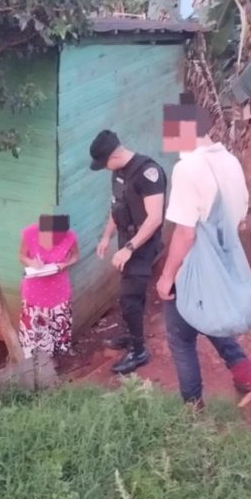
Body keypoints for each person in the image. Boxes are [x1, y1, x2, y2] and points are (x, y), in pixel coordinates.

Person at [156, 93, 251, 408]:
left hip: (194, 265)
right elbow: (241, 212)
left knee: (180, 337)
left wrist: (167, 277)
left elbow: (184, 233)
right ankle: (246, 374)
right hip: (224, 256)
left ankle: (193, 408)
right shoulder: (228, 161)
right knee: (206, 315)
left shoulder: (188, 168)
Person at [90, 130, 166, 375]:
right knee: (130, 296)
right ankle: (132, 335)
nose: (104, 169)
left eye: (104, 164)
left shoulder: (148, 173)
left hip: (142, 247)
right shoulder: (118, 172)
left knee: (129, 298)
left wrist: (130, 249)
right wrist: (106, 237)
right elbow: (117, 207)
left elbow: (154, 218)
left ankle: (139, 351)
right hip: (126, 242)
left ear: (114, 156)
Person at [19, 214, 79, 358]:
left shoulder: (70, 237)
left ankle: (57, 360)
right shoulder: (29, 234)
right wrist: (33, 263)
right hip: (34, 292)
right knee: (35, 332)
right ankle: (36, 364)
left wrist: (64, 264)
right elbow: (21, 256)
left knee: (58, 328)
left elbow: (75, 256)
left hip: (59, 291)